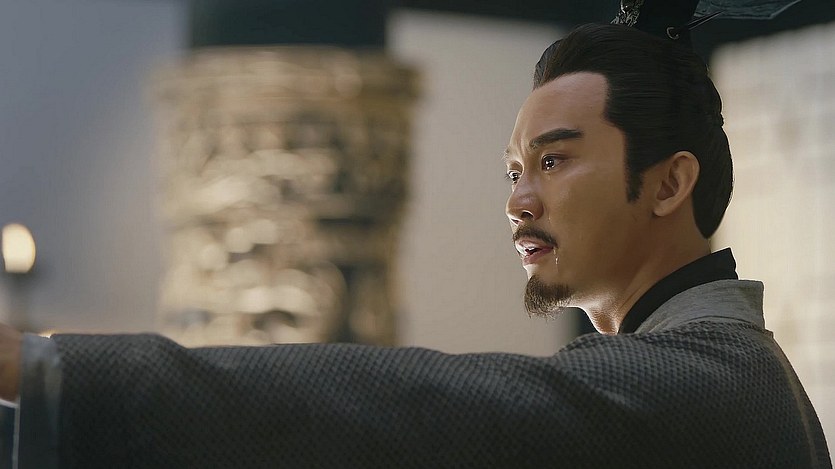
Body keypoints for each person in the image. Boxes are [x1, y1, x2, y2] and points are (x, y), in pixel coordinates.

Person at [0, 22, 831, 469]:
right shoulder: (712, 367)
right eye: (514, 170)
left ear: (668, 182)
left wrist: (41, 367)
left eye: (554, 160)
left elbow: (409, 403)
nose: (518, 200)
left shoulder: (699, 381)